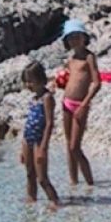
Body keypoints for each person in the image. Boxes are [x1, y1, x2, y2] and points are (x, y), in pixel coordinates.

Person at [59, 18, 100, 186]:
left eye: (77, 36)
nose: (74, 40)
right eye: (71, 37)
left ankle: (90, 184)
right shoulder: (71, 59)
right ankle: (73, 182)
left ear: (84, 37)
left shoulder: (89, 57)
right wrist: (57, 82)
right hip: (66, 103)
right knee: (68, 145)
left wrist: (84, 104)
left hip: (80, 104)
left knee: (75, 146)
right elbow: (70, 80)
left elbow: (97, 82)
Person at [20, 61, 61, 207]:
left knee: (42, 178)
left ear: (40, 79)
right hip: (27, 139)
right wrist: (22, 147)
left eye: (31, 81)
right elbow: (28, 124)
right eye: (26, 82)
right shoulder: (33, 99)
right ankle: (31, 200)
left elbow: (49, 123)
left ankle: (54, 201)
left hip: (39, 140)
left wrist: (43, 147)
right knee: (30, 174)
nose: (28, 85)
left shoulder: (47, 98)